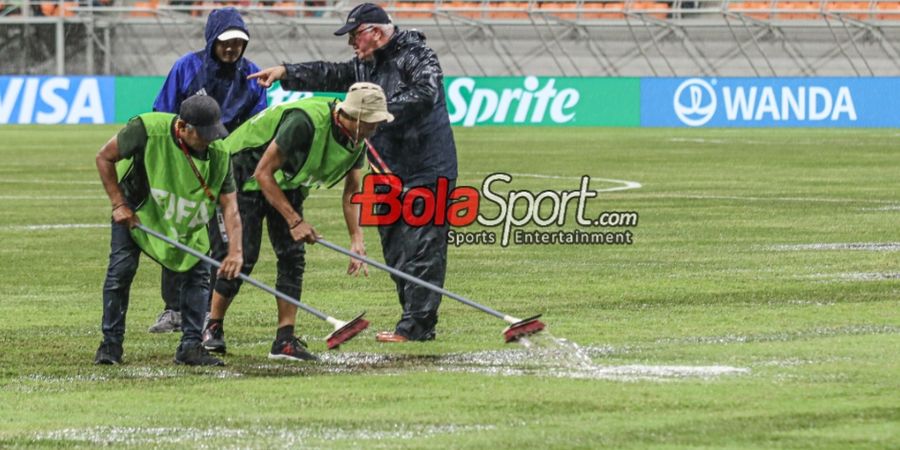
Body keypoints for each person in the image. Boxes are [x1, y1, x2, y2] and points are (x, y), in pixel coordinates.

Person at [249, 3, 459, 343]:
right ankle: (415, 319)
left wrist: (377, 109)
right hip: (388, 170)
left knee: (424, 248)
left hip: (428, 169)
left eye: (355, 36)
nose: (352, 45)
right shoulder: (366, 65)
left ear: (375, 32)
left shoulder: (417, 55)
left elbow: (426, 92)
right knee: (395, 251)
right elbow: (332, 74)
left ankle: (416, 327)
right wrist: (287, 72)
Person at [200, 82, 393, 361]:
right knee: (243, 254)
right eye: (372, 123)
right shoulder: (304, 122)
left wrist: (356, 238)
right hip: (240, 174)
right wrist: (294, 221)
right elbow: (263, 172)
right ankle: (212, 326)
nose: (376, 129)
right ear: (355, 117)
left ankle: (284, 340)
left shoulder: (356, 142)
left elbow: (352, 191)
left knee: (292, 256)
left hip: (286, 182)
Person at [93, 95, 243, 366]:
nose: (210, 141)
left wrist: (235, 251)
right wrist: (118, 204)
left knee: (197, 279)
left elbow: (229, 206)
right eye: (203, 134)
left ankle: (190, 347)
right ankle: (110, 346)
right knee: (120, 273)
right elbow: (104, 157)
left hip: (186, 222)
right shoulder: (147, 130)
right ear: (183, 127)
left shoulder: (220, 152)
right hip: (138, 215)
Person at [148, 6, 267, 334]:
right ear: (212, 40)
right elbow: (162, 113)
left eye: (239, 42)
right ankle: (172, 308)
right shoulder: (187, 67)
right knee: (180, 234)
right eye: (225, 41)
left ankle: (204, 311)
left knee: (221, 238)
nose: (231, 48)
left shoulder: (253, 76)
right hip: (183, 163)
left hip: (229, 167)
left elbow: (259, 125)